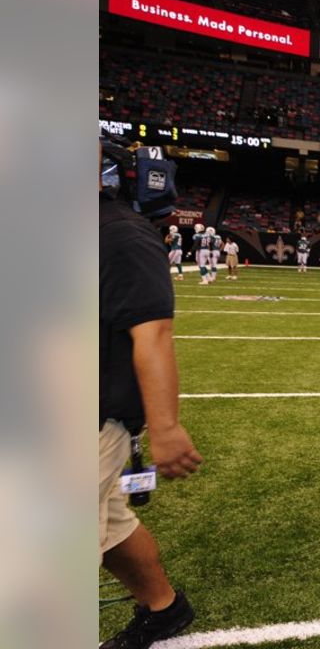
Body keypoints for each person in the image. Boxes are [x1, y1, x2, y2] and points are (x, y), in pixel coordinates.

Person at [100, 136, 203, 648]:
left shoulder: (120, 234)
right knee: (111, 526)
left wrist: (164, 426)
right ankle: (165, 608)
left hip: (88, 412)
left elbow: (153, 333)